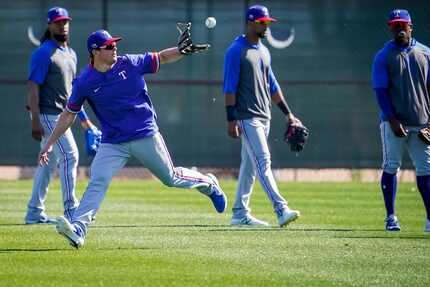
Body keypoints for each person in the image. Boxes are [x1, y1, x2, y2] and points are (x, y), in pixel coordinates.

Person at [37, 27, 227, 248]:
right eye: (109, 46)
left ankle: (209, 184)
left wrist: (182, 51)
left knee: (170, 177)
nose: (114, 47)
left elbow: (162, 57)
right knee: (97, 180)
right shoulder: (85, 81)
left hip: (145, 134)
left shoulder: (130, 63)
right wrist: (49, 143)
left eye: (115, 43)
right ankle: (79, 229)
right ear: (95, 51)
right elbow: (69, 113)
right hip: (113, 142)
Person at [223, 5, 301, 227]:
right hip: (247, 117)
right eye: (262, 22)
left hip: (264, 116)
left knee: (249, 166)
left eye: (267, 22)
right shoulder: (235, 51)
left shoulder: (264, 51)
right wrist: (231, 120)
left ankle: (239, 213)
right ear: (250, 23)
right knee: (263, 162)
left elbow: (272, 86)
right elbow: (229, 88)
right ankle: (281, 209)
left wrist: (288, 114)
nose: (266, 26)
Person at [25, 7, 100, 224]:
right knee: (70, 156)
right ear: (49, 25)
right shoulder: (42, 52)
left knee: (47, 163)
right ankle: (71, 211)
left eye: (65, 21)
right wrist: (36, 121)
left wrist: (85, 121)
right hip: (48, 114)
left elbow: (72, 94)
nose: (62, 25)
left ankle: (33, 212)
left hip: (62, 114)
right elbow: (32, 88)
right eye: (58, 22)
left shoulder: (71, 53)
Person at [372, 9, 430, 232]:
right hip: (394, 123)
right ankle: (391, 217)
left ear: (410, 26)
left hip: (422, 122)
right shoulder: (383, 56)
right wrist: (392, 120)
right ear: (390, 28)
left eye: (402, 25)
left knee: (426, 170)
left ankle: (429, 220)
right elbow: (380, 91)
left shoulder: (425, 52)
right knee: (391, 166)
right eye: (394, 25)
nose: (398, 29)